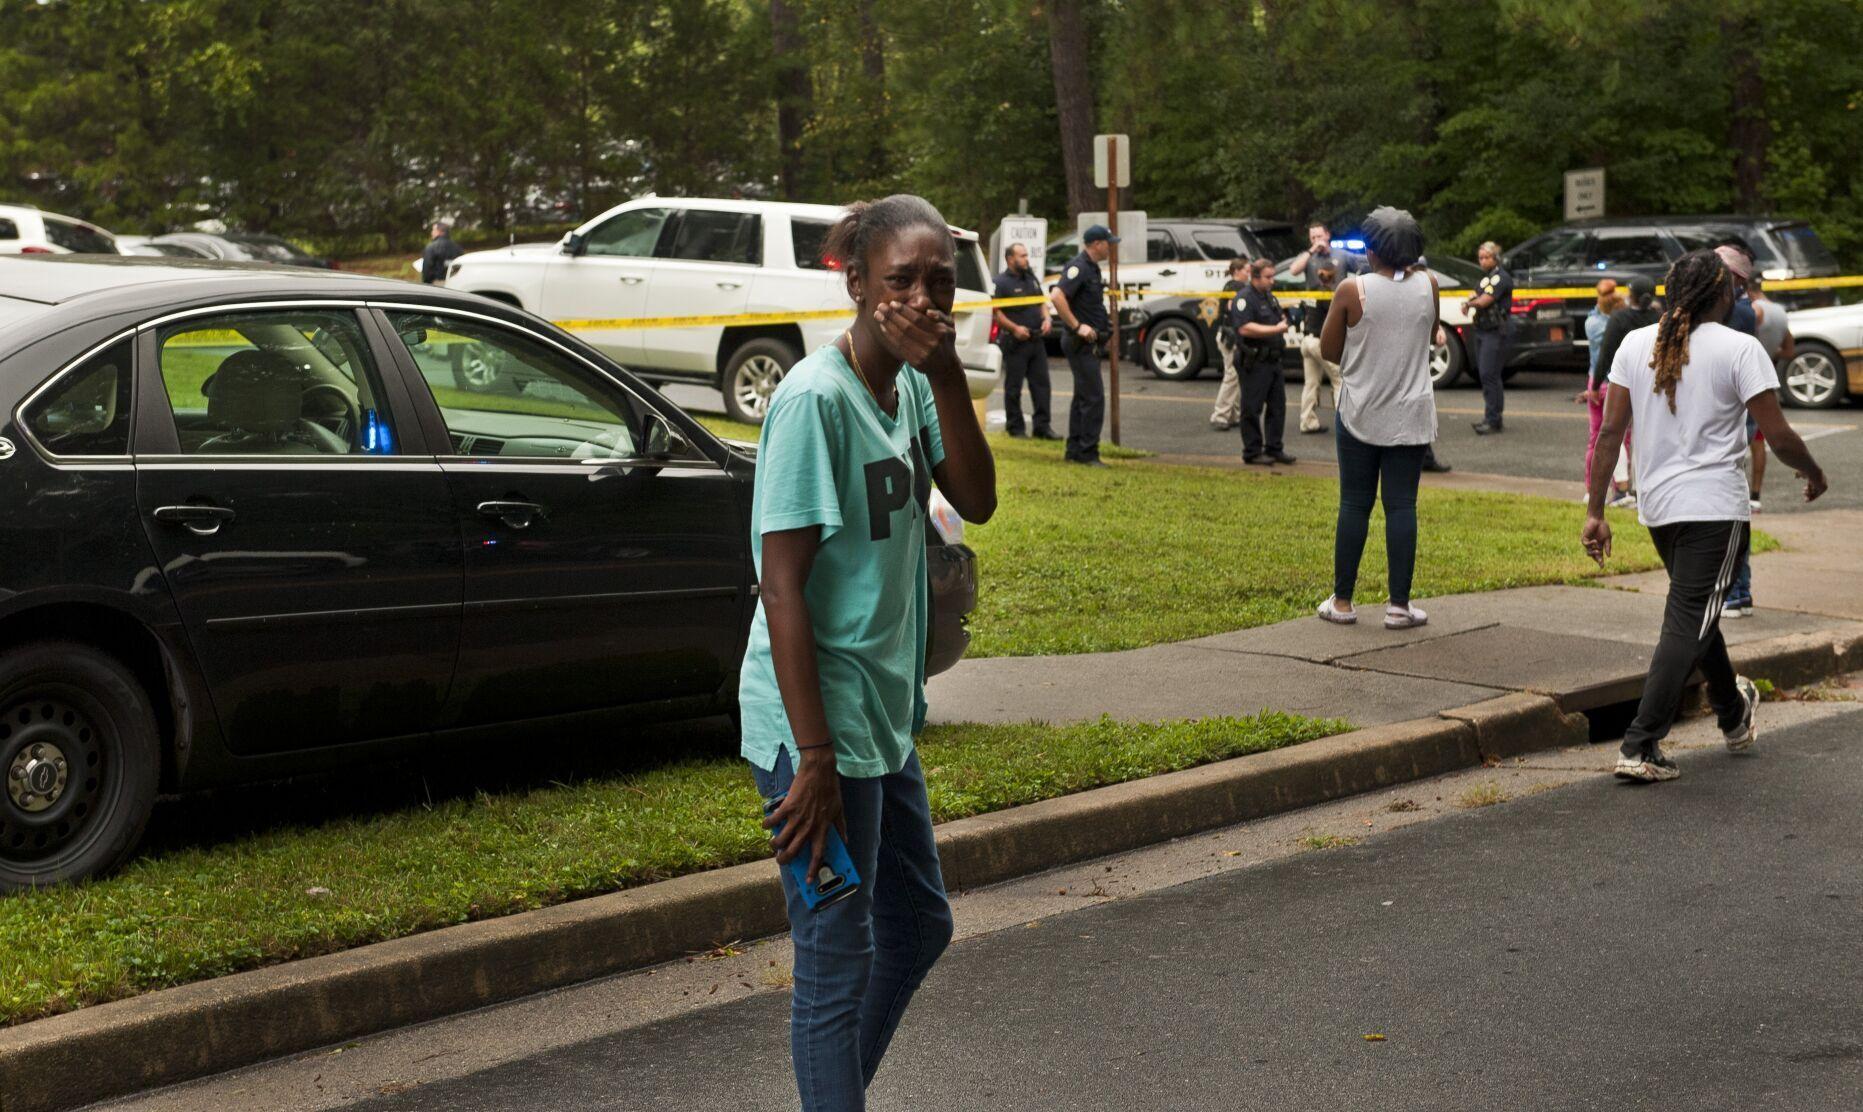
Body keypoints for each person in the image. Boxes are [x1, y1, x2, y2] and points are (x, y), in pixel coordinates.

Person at [739, 194, 997, 1110]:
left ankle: (831, 1094)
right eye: (901, 280)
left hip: (879, 719)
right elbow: (781, 586)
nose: (924, 299)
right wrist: (810, 760)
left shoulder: (918, 385)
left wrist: (953, 376)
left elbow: (977, 497)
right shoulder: (814, 401)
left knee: (917, 924)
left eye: (940, 282)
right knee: (835, 961)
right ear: (855, 283)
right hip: (812, 729)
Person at [1583, 249, 1827, 783]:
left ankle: (1733, 715)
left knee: (1697, 613)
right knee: (1687, 619)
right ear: (1725, 294)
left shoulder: (1633, 343)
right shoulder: (1740, 348)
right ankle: (1640, 744)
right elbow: (1778, 435)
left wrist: (1597, 510)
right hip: (1715, 510)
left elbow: (1607, 434)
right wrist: (1813, 472)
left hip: (1660, 508)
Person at [1316, 205, 1439, 630]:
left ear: (1371, 251)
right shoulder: (1430, 284)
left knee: (1354, 502)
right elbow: (1428, 330)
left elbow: (1329, 351)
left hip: (1361, 408)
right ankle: (1400, 606)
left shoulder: (1353, 290)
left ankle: (1344, 601)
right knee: (1402, 504)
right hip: (1412, 411)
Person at [1715, 240, 1763, 616]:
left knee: (1727, 506)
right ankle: (1739, 590)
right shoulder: (1739, 307)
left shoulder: (1738, 312)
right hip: (1734, 413)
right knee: (1730, 503)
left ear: (1734, 276)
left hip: (1734, 416)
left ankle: (1735, 589)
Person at [1051, 224, 1117, 467]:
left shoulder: (1091, 268)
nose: (1110, 247)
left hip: (1087, 342)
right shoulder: (1078, 267)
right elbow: (1057, 296)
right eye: (1108, 243)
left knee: (1083, 397)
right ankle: (1088, 452)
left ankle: (1075, 450)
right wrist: (1077, 326)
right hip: (1080, 342)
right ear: (1097, 244)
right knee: (1093, 397)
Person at [991, 243, 1057, 439]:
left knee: (1042, 385)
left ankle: (1042, 427)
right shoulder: (1000, 282)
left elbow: (1041, 303)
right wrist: (1015, 328)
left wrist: (1047, 319)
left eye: (1027, 255)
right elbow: (997, 313)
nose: (1027, 259)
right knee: (1014, 388)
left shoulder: (1031, 279)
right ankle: (1015, 427)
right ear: (1010, 259)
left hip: (1036, 341)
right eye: (1022, 255)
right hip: (1015, 342)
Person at [1233, 258, 1294, 465]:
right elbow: (1244, 328)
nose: (1272, 281)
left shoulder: (1269, 297)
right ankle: (1252, 451)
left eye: (1273, 276)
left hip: (1273, 360)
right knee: (1252, 408)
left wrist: (1285, 321)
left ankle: (1274, 448)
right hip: (1255, 360)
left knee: (1278, 407)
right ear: (1255, 277)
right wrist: (1276, 329)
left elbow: (1277, 319)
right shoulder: (1244, 298)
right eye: (1268, 277)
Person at [1582, 278, 1634, 507]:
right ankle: (1620, 487)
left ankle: (1592, 488)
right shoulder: (1624, 321)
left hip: (1599, 381)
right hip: (1621, 383)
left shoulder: (1592, 323)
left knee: (1596, 438)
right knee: (1624, 439)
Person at [1465, 240, 1514, 434]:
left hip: (1496, 331)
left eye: (1486, 257)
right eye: (1480, 258)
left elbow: (1485, 300)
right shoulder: (1486, 279)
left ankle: (1493, 419)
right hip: (1483, 329)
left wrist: (1469, 304)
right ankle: (1492, 417)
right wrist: (1469, 301)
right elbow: (1476, 295)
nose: (1482, 261)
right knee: (1487, 375)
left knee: (1489, 374)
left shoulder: (1501, 278)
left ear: (1496, 258)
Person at [1297, 258, 1344, 434]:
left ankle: (1307, 421)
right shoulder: (1329, 295)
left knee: (1311, 383)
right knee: (1339, 379)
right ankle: (1344, 425)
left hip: (1306, 340)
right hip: (1318, 342)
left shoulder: (1311, 291)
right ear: (1334, 276)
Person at [1209, 257, 1248, 431]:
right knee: (1232, 376)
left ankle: (1234, 415)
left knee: (1235, 376)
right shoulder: (1236, 288)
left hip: (1225, 335)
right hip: (1230, 337)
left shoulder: (1229, 286)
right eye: (1246, 270)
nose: (1248, 274)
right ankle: (1220, 415)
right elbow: (1234, 308)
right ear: (1237, 271)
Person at [1287, 220, 1369, 281]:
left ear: (1327, 235)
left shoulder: (1341, 254)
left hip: (1338, 301)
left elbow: (1366, 263)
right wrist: (1312, 250)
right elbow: (1293, 271)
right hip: (1315, 303)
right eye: (1313, 238)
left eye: (1319, 236)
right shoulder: (1307, 257)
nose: (1316, 240)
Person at [420, 221, 463, 286]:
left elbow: (427, 270)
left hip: (437, 285)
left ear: (440, 232)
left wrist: (426, 284)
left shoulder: (431, 247)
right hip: (455, 284)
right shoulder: (458, 247)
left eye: (433, 230)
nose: (432, 232)